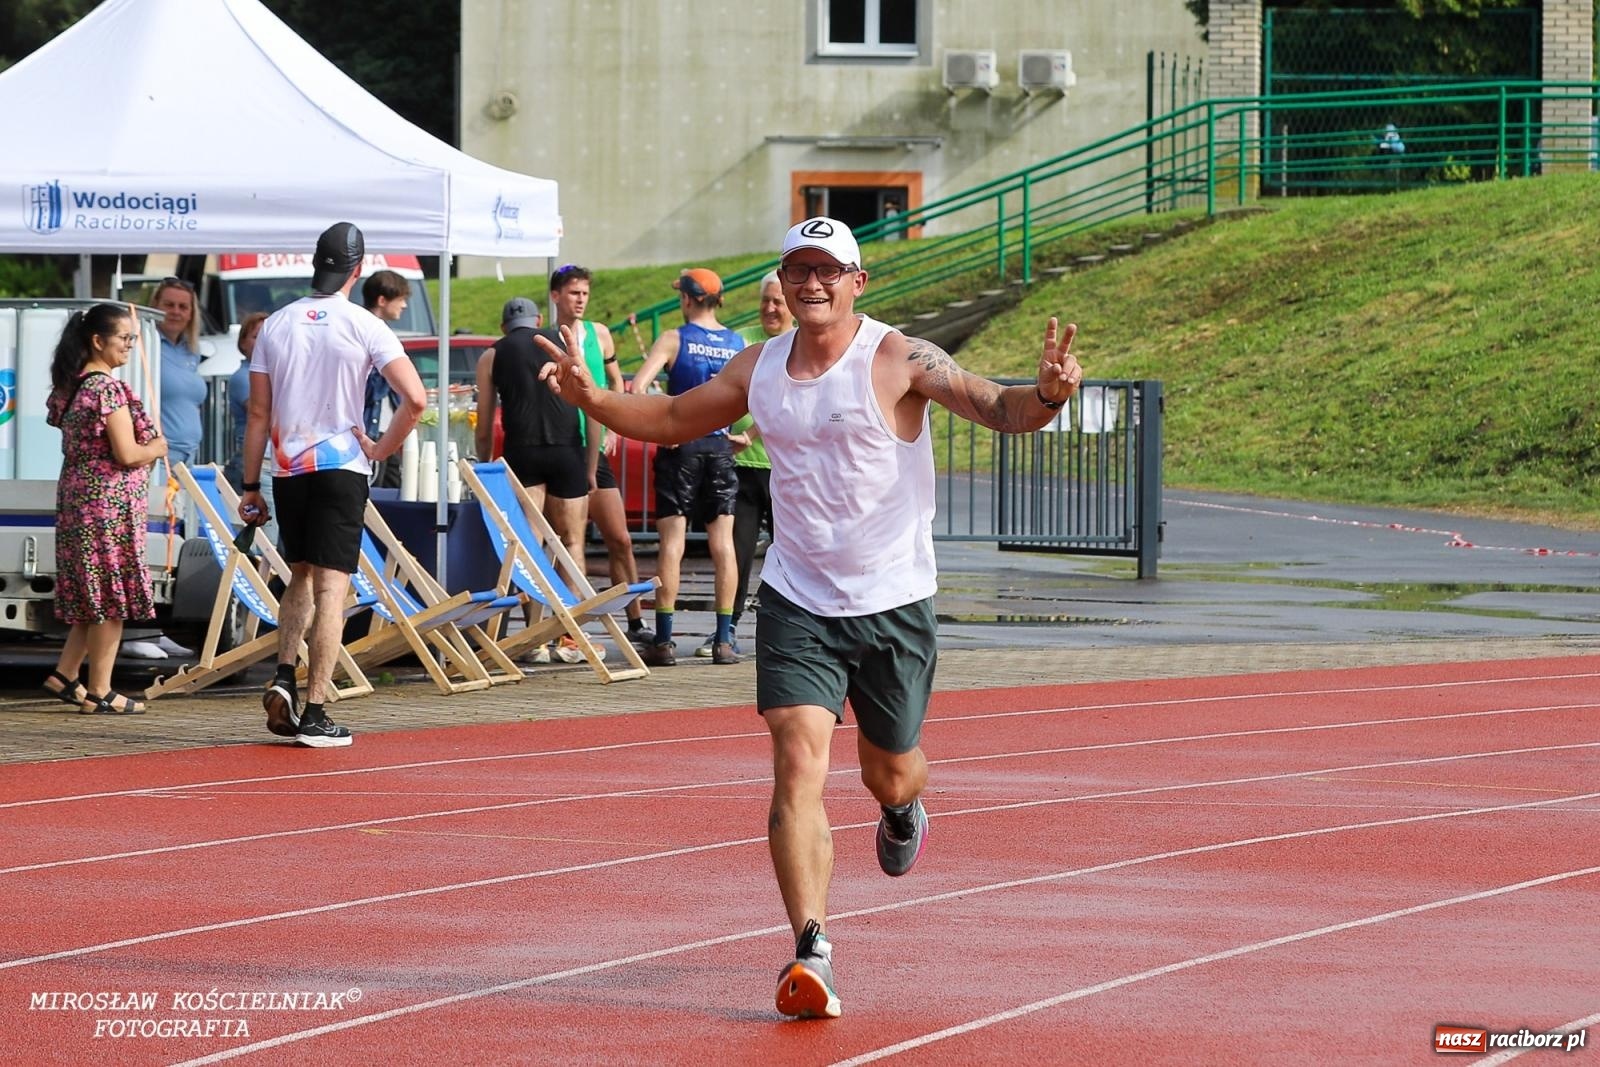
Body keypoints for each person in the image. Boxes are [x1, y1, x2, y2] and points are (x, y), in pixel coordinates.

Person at [535, 216, 1083, 1019]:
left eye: (828, 270)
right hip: (798, 600)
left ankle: (901, 807)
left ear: (858, 282)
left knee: (889, 769)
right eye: (798, 269)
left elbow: (996, 405)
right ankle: (811, 947)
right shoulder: (759, 367)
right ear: (784, 282)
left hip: (893, 601)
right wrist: (594, 400)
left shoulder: (898, 358)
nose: (812, 283)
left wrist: (1047, 395)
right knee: (797, 763)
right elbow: (673, 417)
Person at [239, 222, 426, 747]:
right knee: (332, 590)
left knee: (298, 575)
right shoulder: (366, 324)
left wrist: (250, 485)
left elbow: (258, 413)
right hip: (342, 465)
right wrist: (381, 449)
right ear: (357, 269)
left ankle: (283, 674)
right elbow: (415, 400)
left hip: (288, 468)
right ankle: (316, 711)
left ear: (315, 262)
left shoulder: (276, 323)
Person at [40, 304, 168, 716]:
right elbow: (127, 453)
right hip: (106, 507)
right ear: (98, 341)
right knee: (109, 599)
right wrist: (156, 448)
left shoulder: (73, 385)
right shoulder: (106, 389)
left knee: (91, 595)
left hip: (77, 500)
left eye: (133, 338)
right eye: (124, 338)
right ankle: (100, 690)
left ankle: (65, 674)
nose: (130, 345)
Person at [628, 268, 743, 667]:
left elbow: (637, 387)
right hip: (720, 447)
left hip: (681, 447)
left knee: (673, 544)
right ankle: (724, 641)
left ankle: (663, 641)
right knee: (723, 545)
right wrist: (742, 434)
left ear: (688, 299)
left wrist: (663, 420)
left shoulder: (674, 338)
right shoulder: (737, 343)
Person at [473, 296, 596, 665]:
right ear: (539, 320)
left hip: (522, 451)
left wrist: (484, 465)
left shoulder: (492, 355)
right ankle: (570, 635)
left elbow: (484, 423)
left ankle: (535, 638)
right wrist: (591, 464)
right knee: (572, 543)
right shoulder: (562, 344)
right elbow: (593, 405)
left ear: (503, 327)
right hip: (567, 449)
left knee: (530, 546)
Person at [548, 264, 649, 646]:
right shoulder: (548, 336)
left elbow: (616, 382)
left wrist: (614, 427)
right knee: (563, 540)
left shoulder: (599, 334)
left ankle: (636, 620)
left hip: (594, 445)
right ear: (556, 295)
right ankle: (563, 626)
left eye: (585, 294)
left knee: (620, 538)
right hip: (561, 446)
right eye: (574, 293)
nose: (580, 300)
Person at [697, 271, 789, 659]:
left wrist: (751, 433)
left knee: (792, 555)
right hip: (741, 467)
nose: (771, 308)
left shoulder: (801, 343)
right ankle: (727, 628)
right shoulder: (741, 341)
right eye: (766, 300)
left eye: (778, 301)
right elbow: (721, 390)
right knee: (737, 550)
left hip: (785, 468)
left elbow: (788, 400)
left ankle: (788, 632)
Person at [124, 277, 206, 661]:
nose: (175, 312)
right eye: (168, 304)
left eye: (183, 306)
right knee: (142, 546)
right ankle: (134, 630)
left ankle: (154, 627)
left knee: (165, 551)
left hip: (183, 463)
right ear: (154, 306)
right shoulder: (144, 346)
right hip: (156, 461)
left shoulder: (189, 352)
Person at [361, 270, 410, 488]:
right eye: (400, 299)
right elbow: (370, 387)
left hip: (387, 431)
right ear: (382, 300)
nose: (404, 306)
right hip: (372, 432)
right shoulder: (365, 332)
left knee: (393, 490)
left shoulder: (378, 332)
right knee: (374, 494)